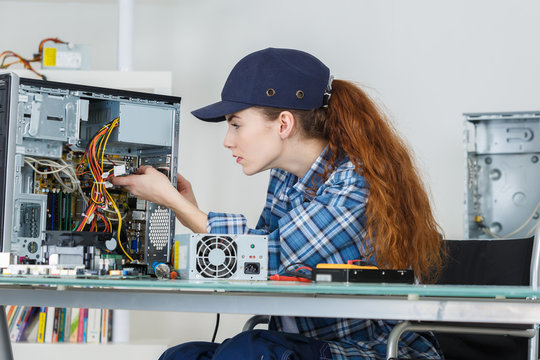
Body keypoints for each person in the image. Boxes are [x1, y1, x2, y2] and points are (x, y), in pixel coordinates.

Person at [112, 47, 445, 360]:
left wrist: (178, 206)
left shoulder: (356, 184)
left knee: (248, 350)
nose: (228, 141)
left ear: (284, 124)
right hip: (307, 346)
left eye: (236, 125)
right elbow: (256, 266)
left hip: (373, 349)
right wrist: (188, 209)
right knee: (182, 355)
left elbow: (269, 256)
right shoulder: (286, 179)